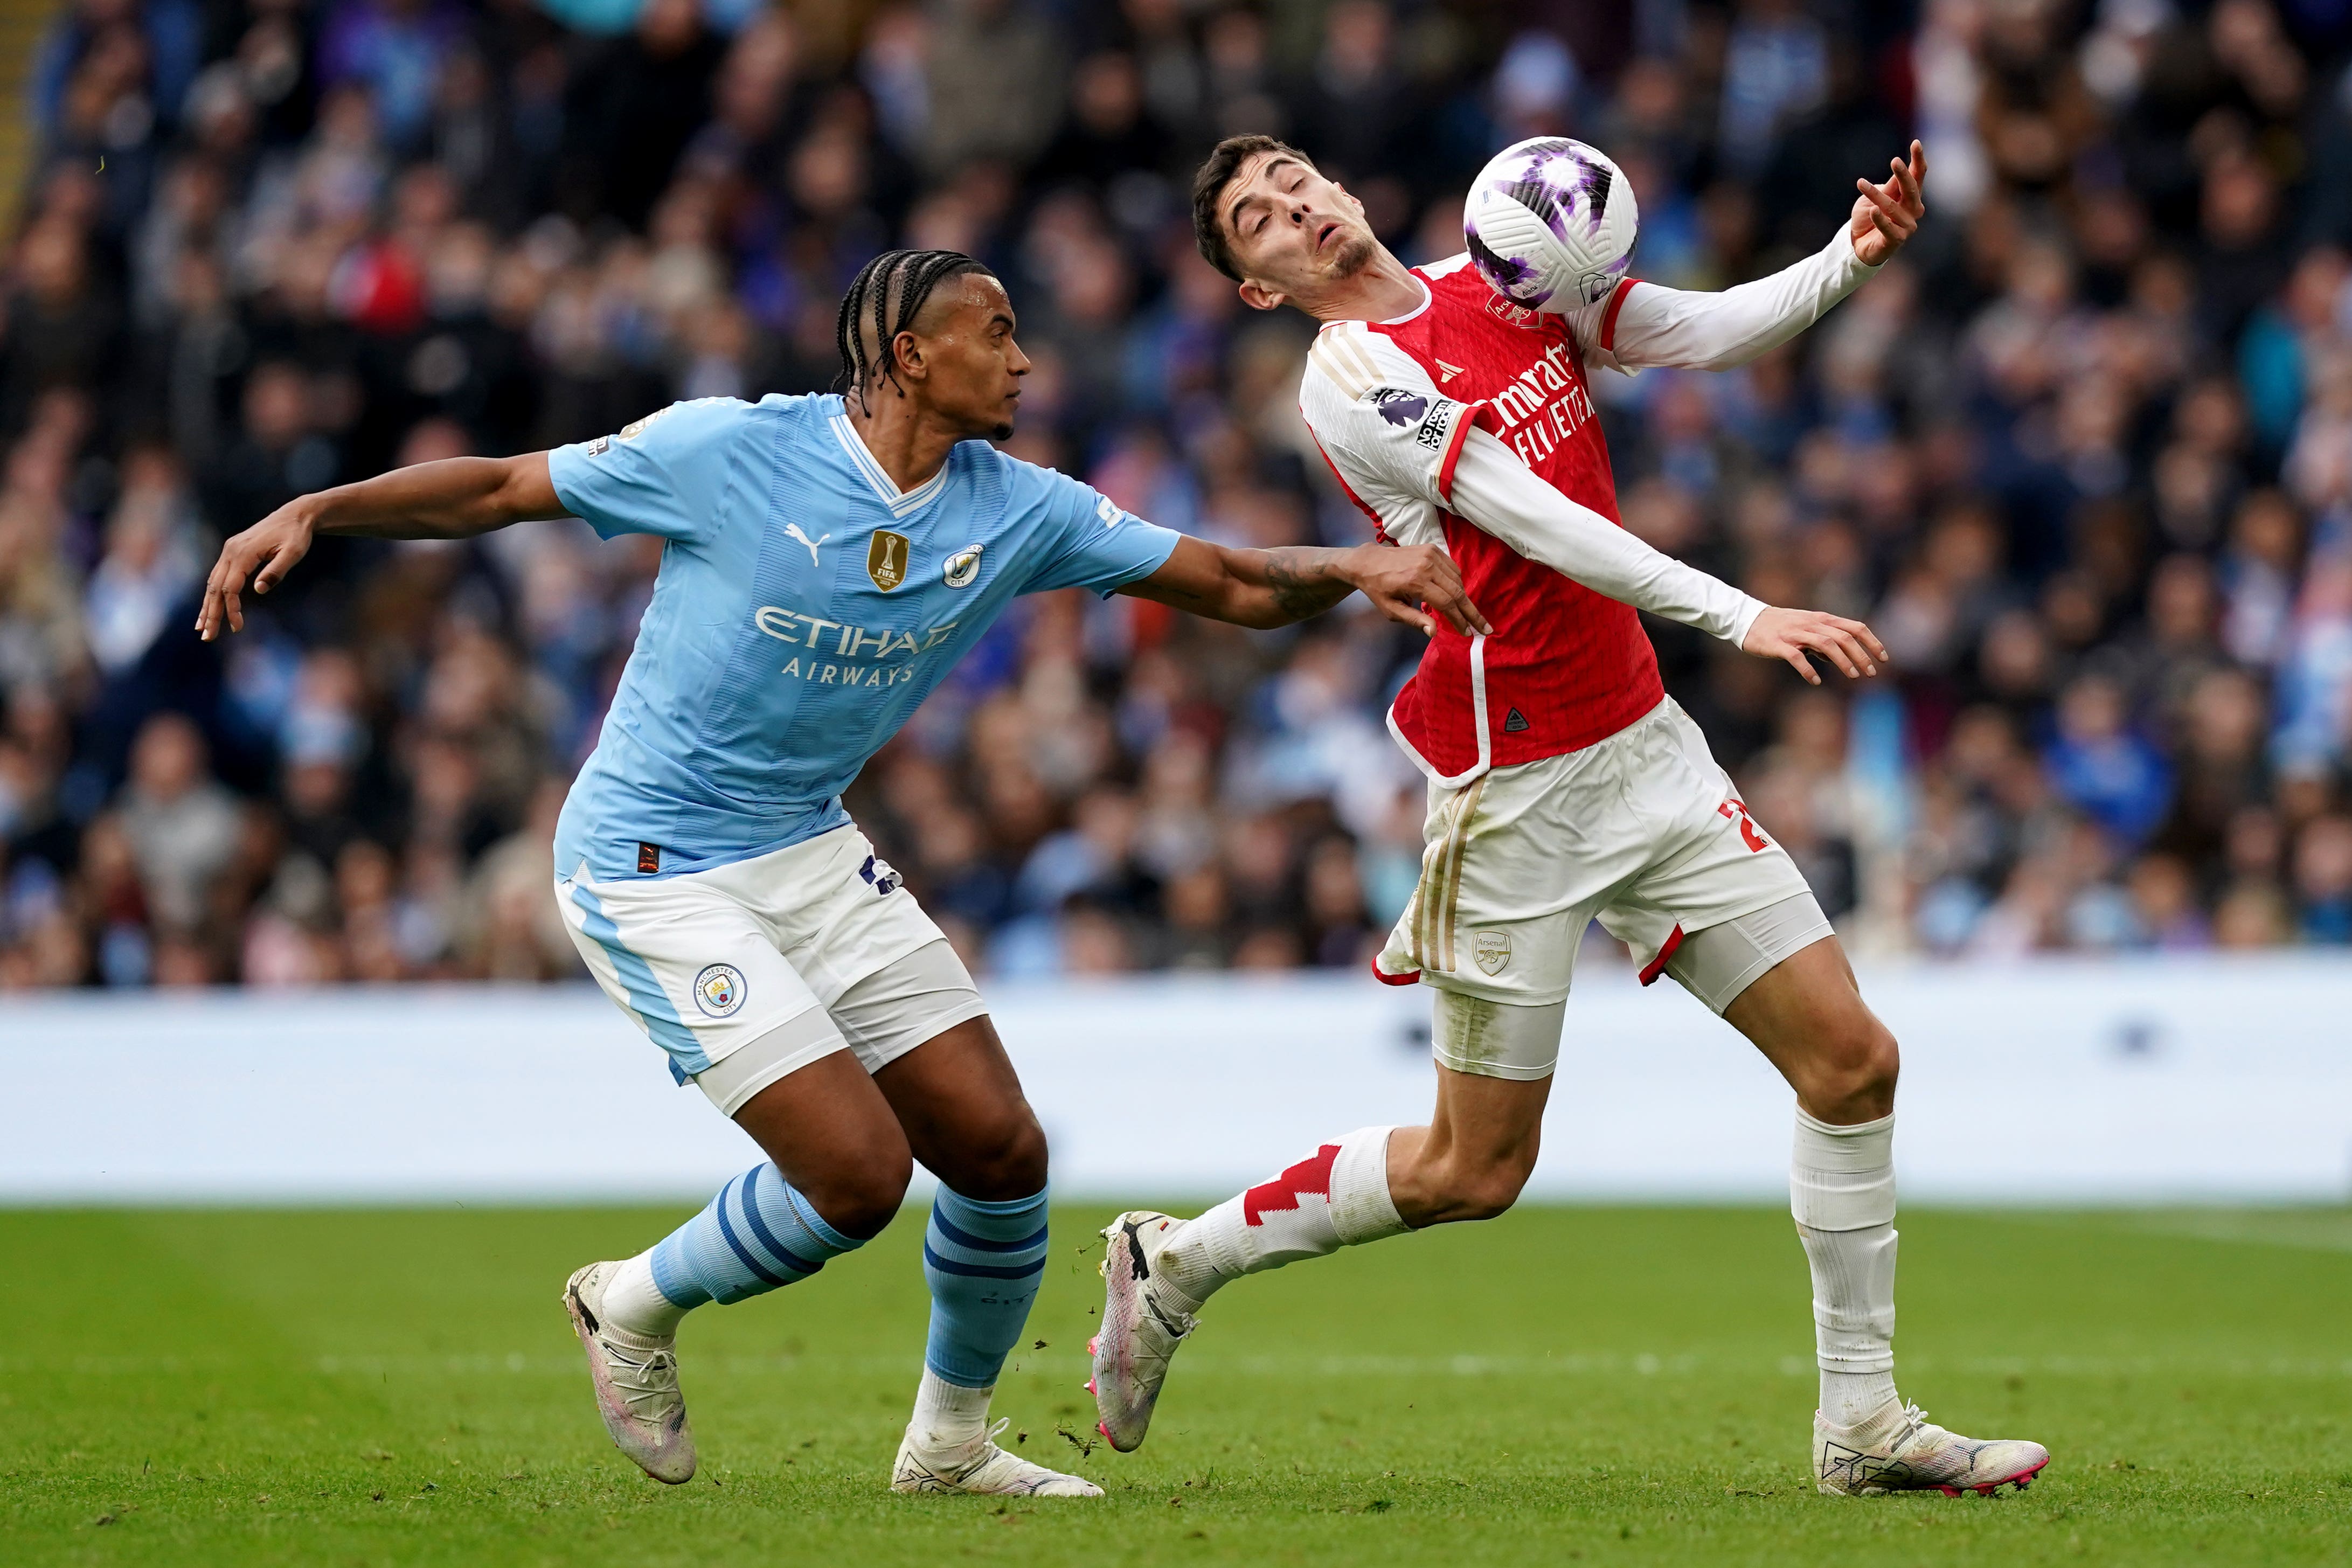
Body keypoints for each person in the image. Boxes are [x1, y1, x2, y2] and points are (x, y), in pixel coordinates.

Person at [195, 248, 1480, 1499]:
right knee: (857, 1180)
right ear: (911, 357)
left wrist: (1352, 568)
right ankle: (627, 1303)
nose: (1026, 360)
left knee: (997, 1150)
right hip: (651, 861)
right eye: (997, 334)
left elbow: (1234, 584)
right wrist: (319, 508)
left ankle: (950, 1447)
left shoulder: (1016, 504)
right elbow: (498, 492)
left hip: (805, 841)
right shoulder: (727, 451)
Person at [1088, 138, 2052, 1500]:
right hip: (1514, 792)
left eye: (1297, 181)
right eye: (1258, 221)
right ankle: (1175, 1262)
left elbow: (1686, 329)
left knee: (1851, 1064)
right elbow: (1532, 521)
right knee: (1471, 1170)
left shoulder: (1501, 261)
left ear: (1345, 189)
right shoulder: (1352, 382)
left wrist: (1849, 259)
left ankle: (1861, 1425)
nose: (1295, 211)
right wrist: (1741, 611)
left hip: (1645, 752)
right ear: (1254, 286)